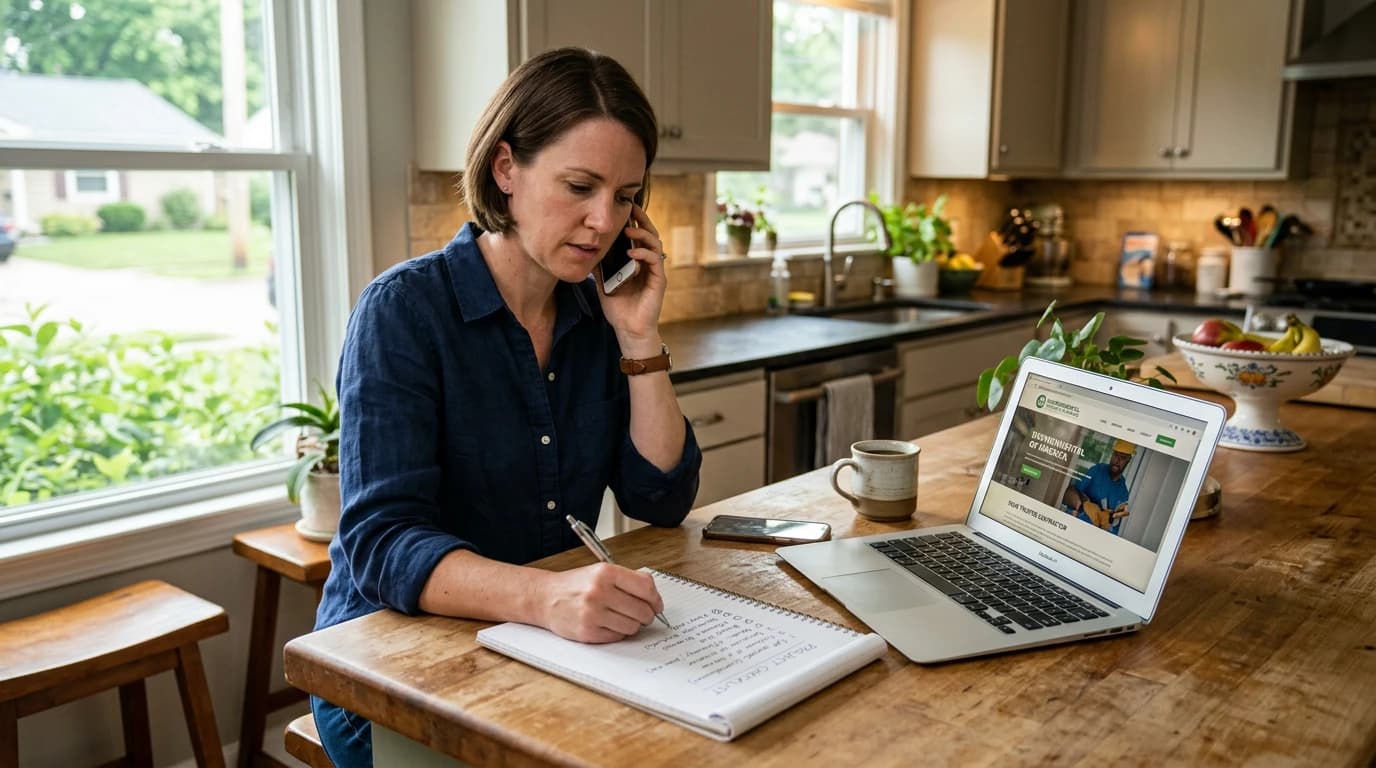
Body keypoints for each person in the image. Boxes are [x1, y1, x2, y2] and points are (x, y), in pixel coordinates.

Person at [310, 47, 702, 767]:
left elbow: (662, 495)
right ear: (505, 169)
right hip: (392, 673)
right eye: (579, 186)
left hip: (545, 649)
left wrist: (639, 336)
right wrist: (545, 598)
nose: (603, 221)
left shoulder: (597, 314)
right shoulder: (403, 311)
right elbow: (381, 542)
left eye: (625, 196)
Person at [1063, 439, 1135, 535]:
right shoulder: (1097, 470)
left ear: (1128, 460)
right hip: (1072, 526)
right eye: (1115, 455)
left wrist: (1109, 520)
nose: (1117, 461)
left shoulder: (1123, 493)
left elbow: (1113, 529)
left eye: (1122, 457)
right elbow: (1068, 494)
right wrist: (1084, 504)